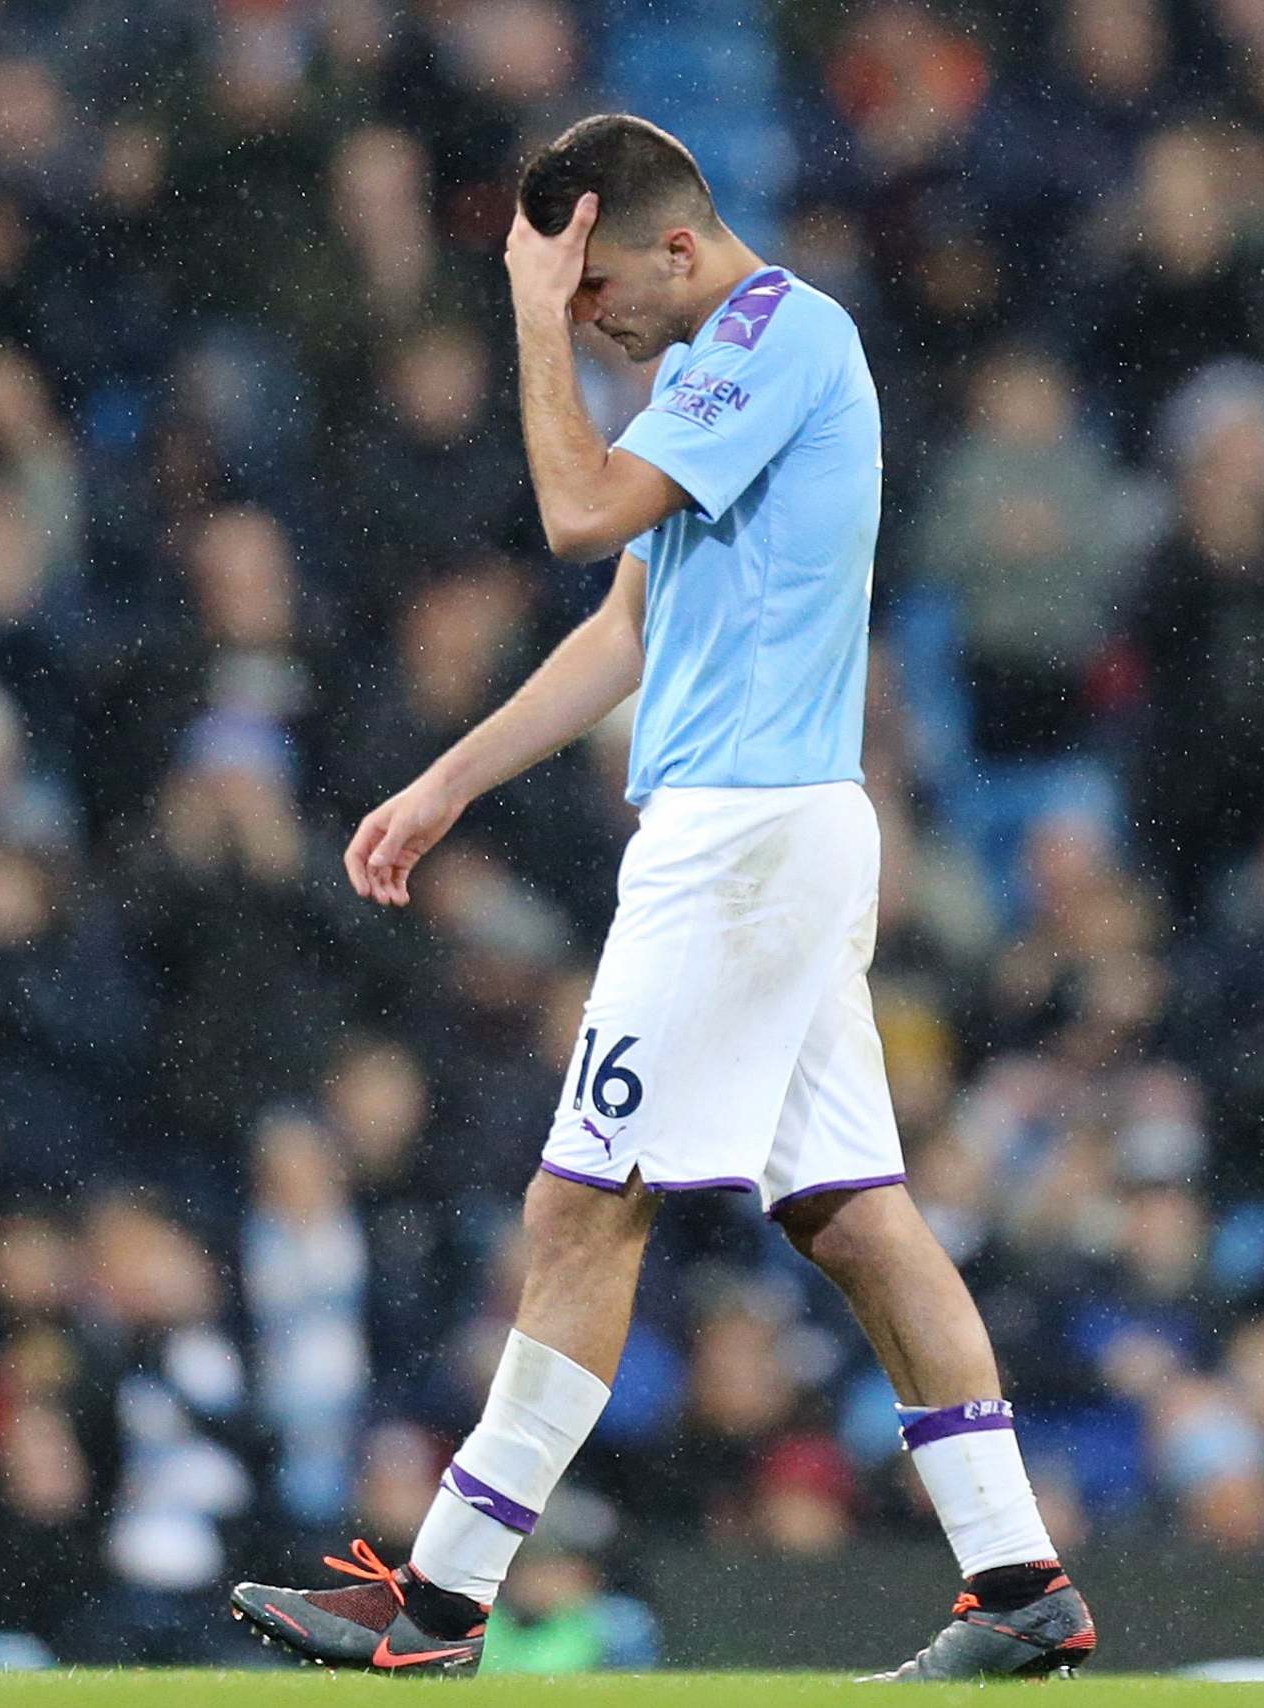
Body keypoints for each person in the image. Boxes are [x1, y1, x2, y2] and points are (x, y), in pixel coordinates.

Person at [227, 113, 1095, 1682]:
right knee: (850, 1217)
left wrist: (515, 314)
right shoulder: (718, 374)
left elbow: (571, 517)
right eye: (564, 301)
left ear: (678, 248)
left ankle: (438, 1602)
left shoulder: (774, 337)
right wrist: (445, 784)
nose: (584, 316)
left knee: (580, 1203)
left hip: (743, 841)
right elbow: (626, 623)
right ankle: (1020, 1581)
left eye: (596, 285)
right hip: (772, 833)